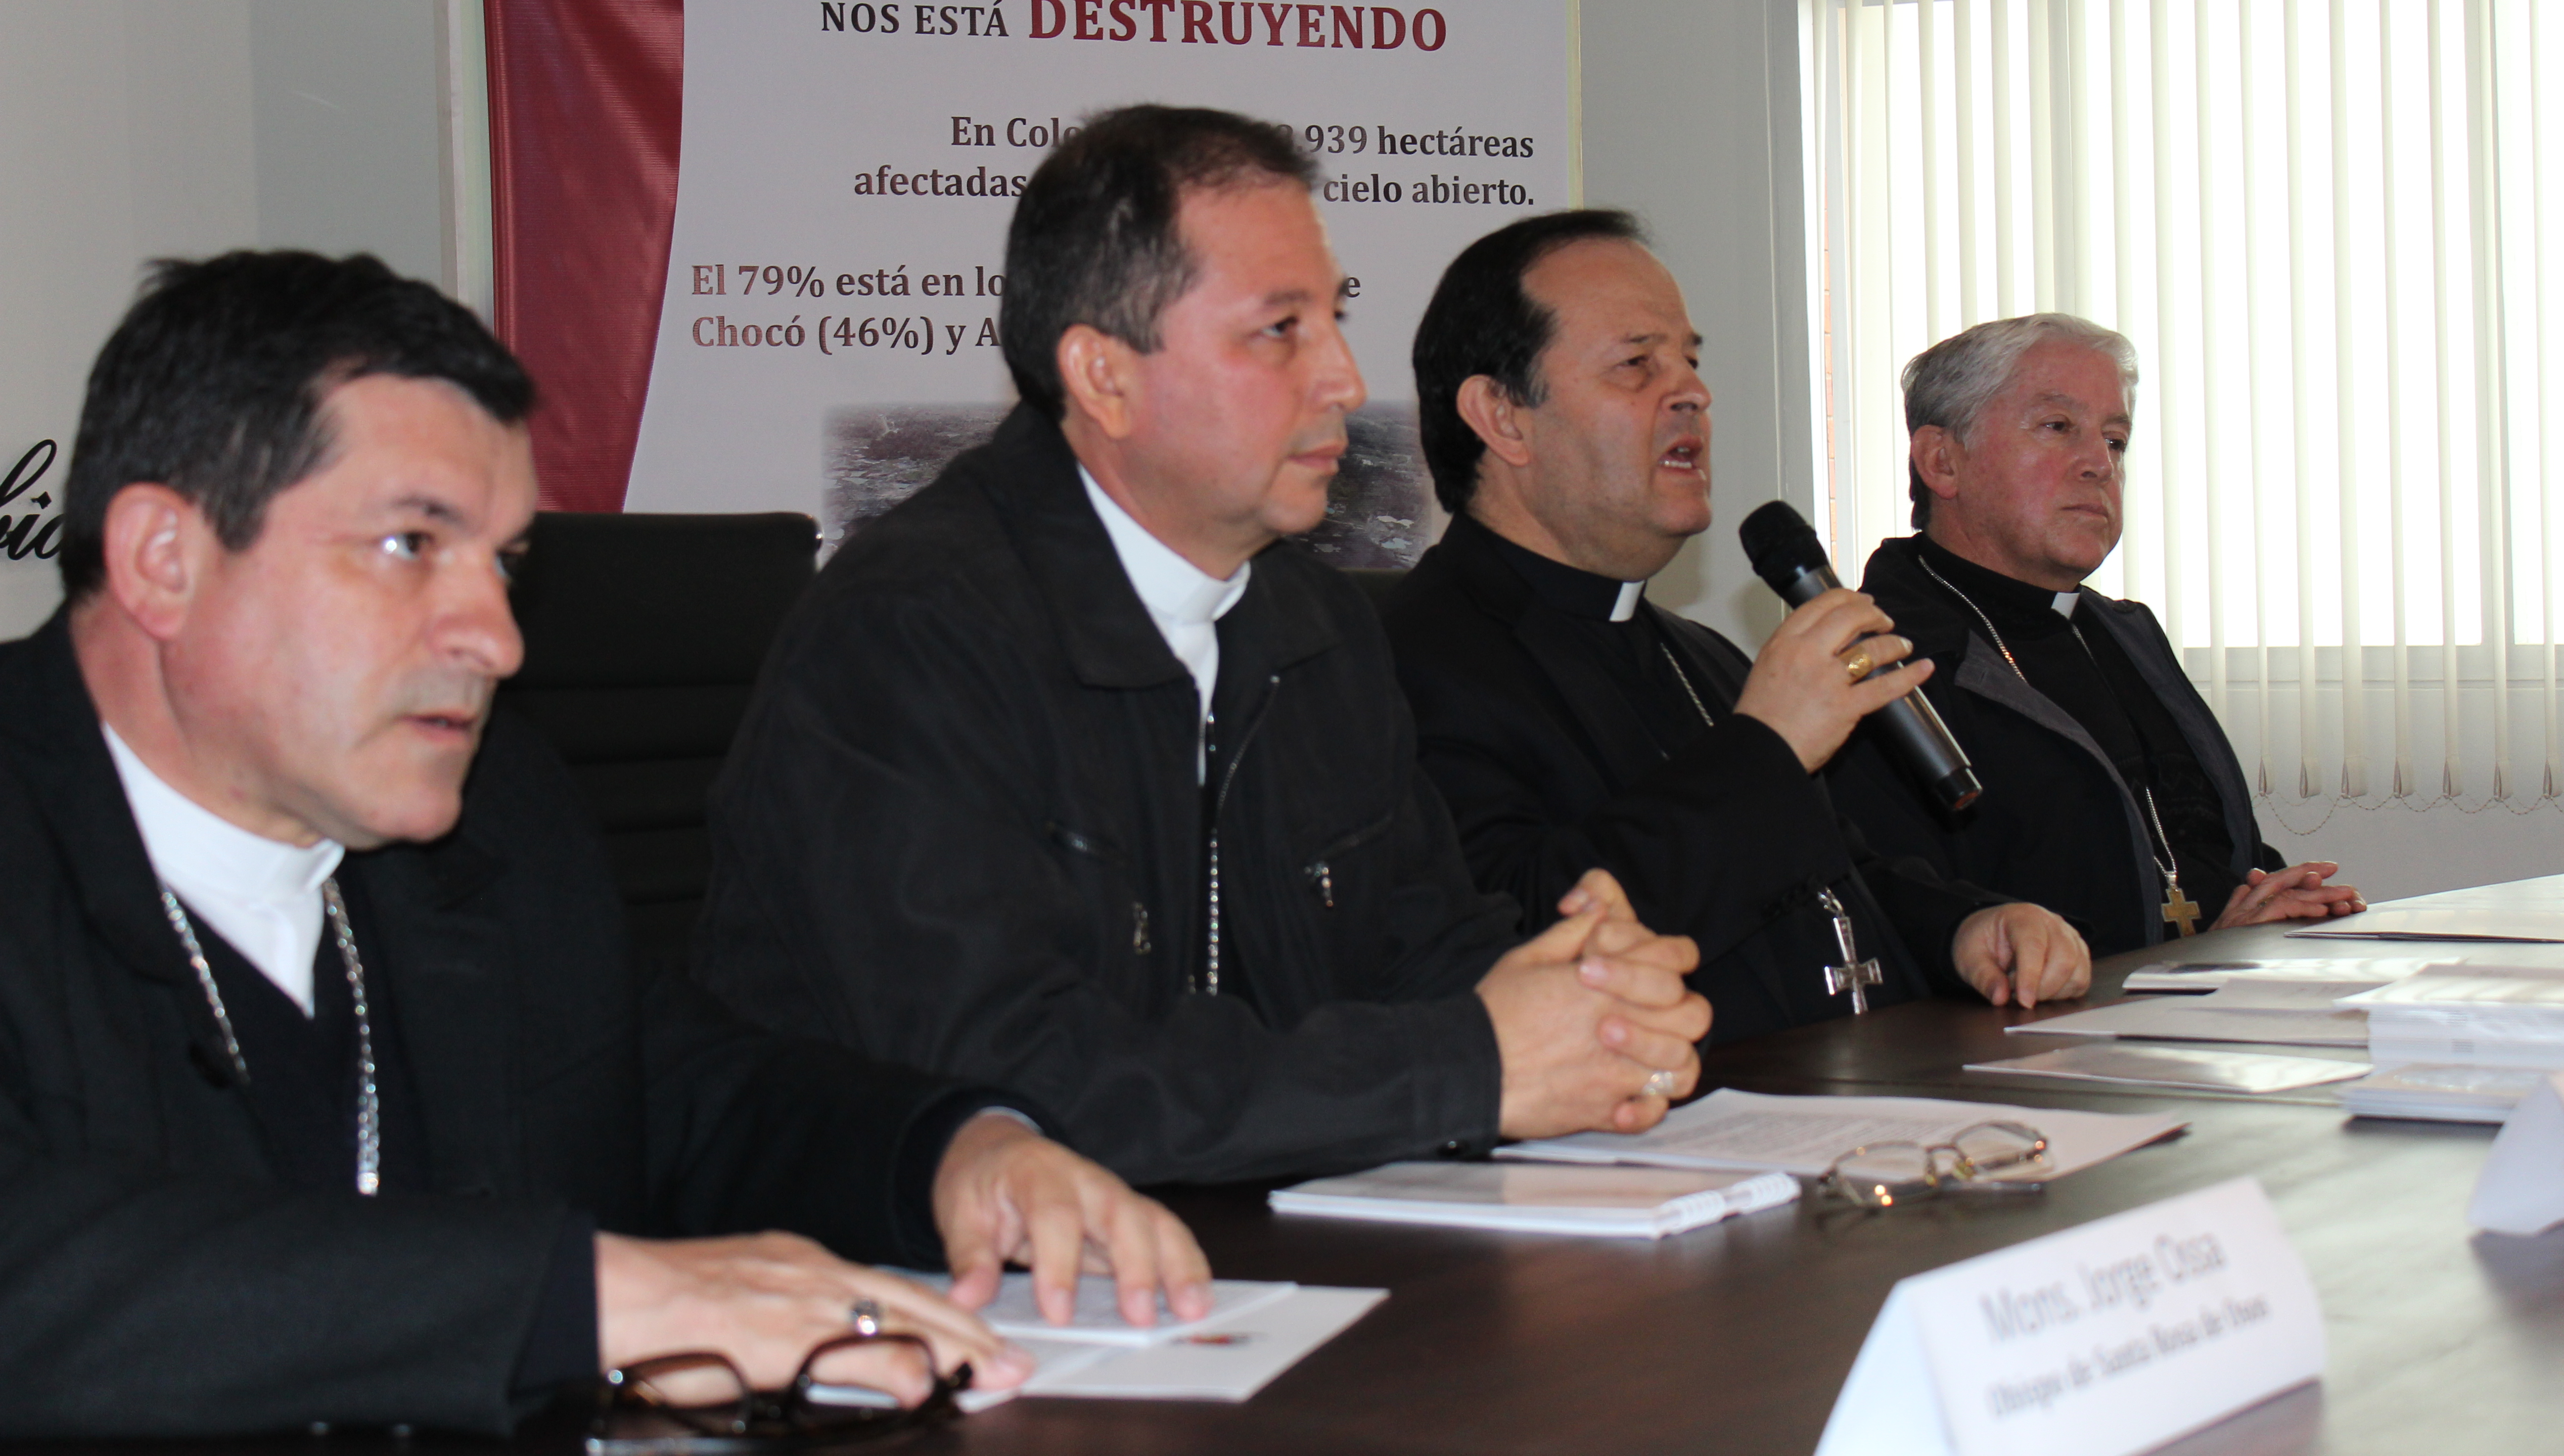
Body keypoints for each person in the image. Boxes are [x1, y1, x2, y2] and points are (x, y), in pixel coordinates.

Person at [0, 251, 1209, 1439]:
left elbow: (679, 1096)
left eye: (506, 565)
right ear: (165, 560)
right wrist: (587, 1301)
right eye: (411, 546)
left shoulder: (498, 808)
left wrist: (958, 1152)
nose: (498, 639)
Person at [692, 106, 1710, 1187]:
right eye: (1280, 331)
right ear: (1104, 376)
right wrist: (1474, 1061)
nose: (1345, 382)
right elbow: (1008, 1077)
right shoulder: (912, 634)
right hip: (923, 1296)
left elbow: (1425, 956)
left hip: (1260, 1252)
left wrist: (1585, 996)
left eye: (1334, 321)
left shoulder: (1315, 627)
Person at [1383, 212, 2089, 1044]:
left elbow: (1831, 872)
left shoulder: (1700, 656)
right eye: (1637, 363)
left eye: (1690, 359)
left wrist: (1966, 927)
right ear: (1502, 418)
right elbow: (1527, 929)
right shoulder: (1396, 663)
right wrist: (1768, 747)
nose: (1693, 391)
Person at [1828, 313, 2366, 956]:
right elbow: (1905, 911)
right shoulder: (1875, 660)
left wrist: (2272, 898)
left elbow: (2203, 850)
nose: (2098, 466)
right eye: (2058, 428)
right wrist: (2182, 959)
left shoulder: (2122, 633)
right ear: (1943, 462)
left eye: (2115, 441)